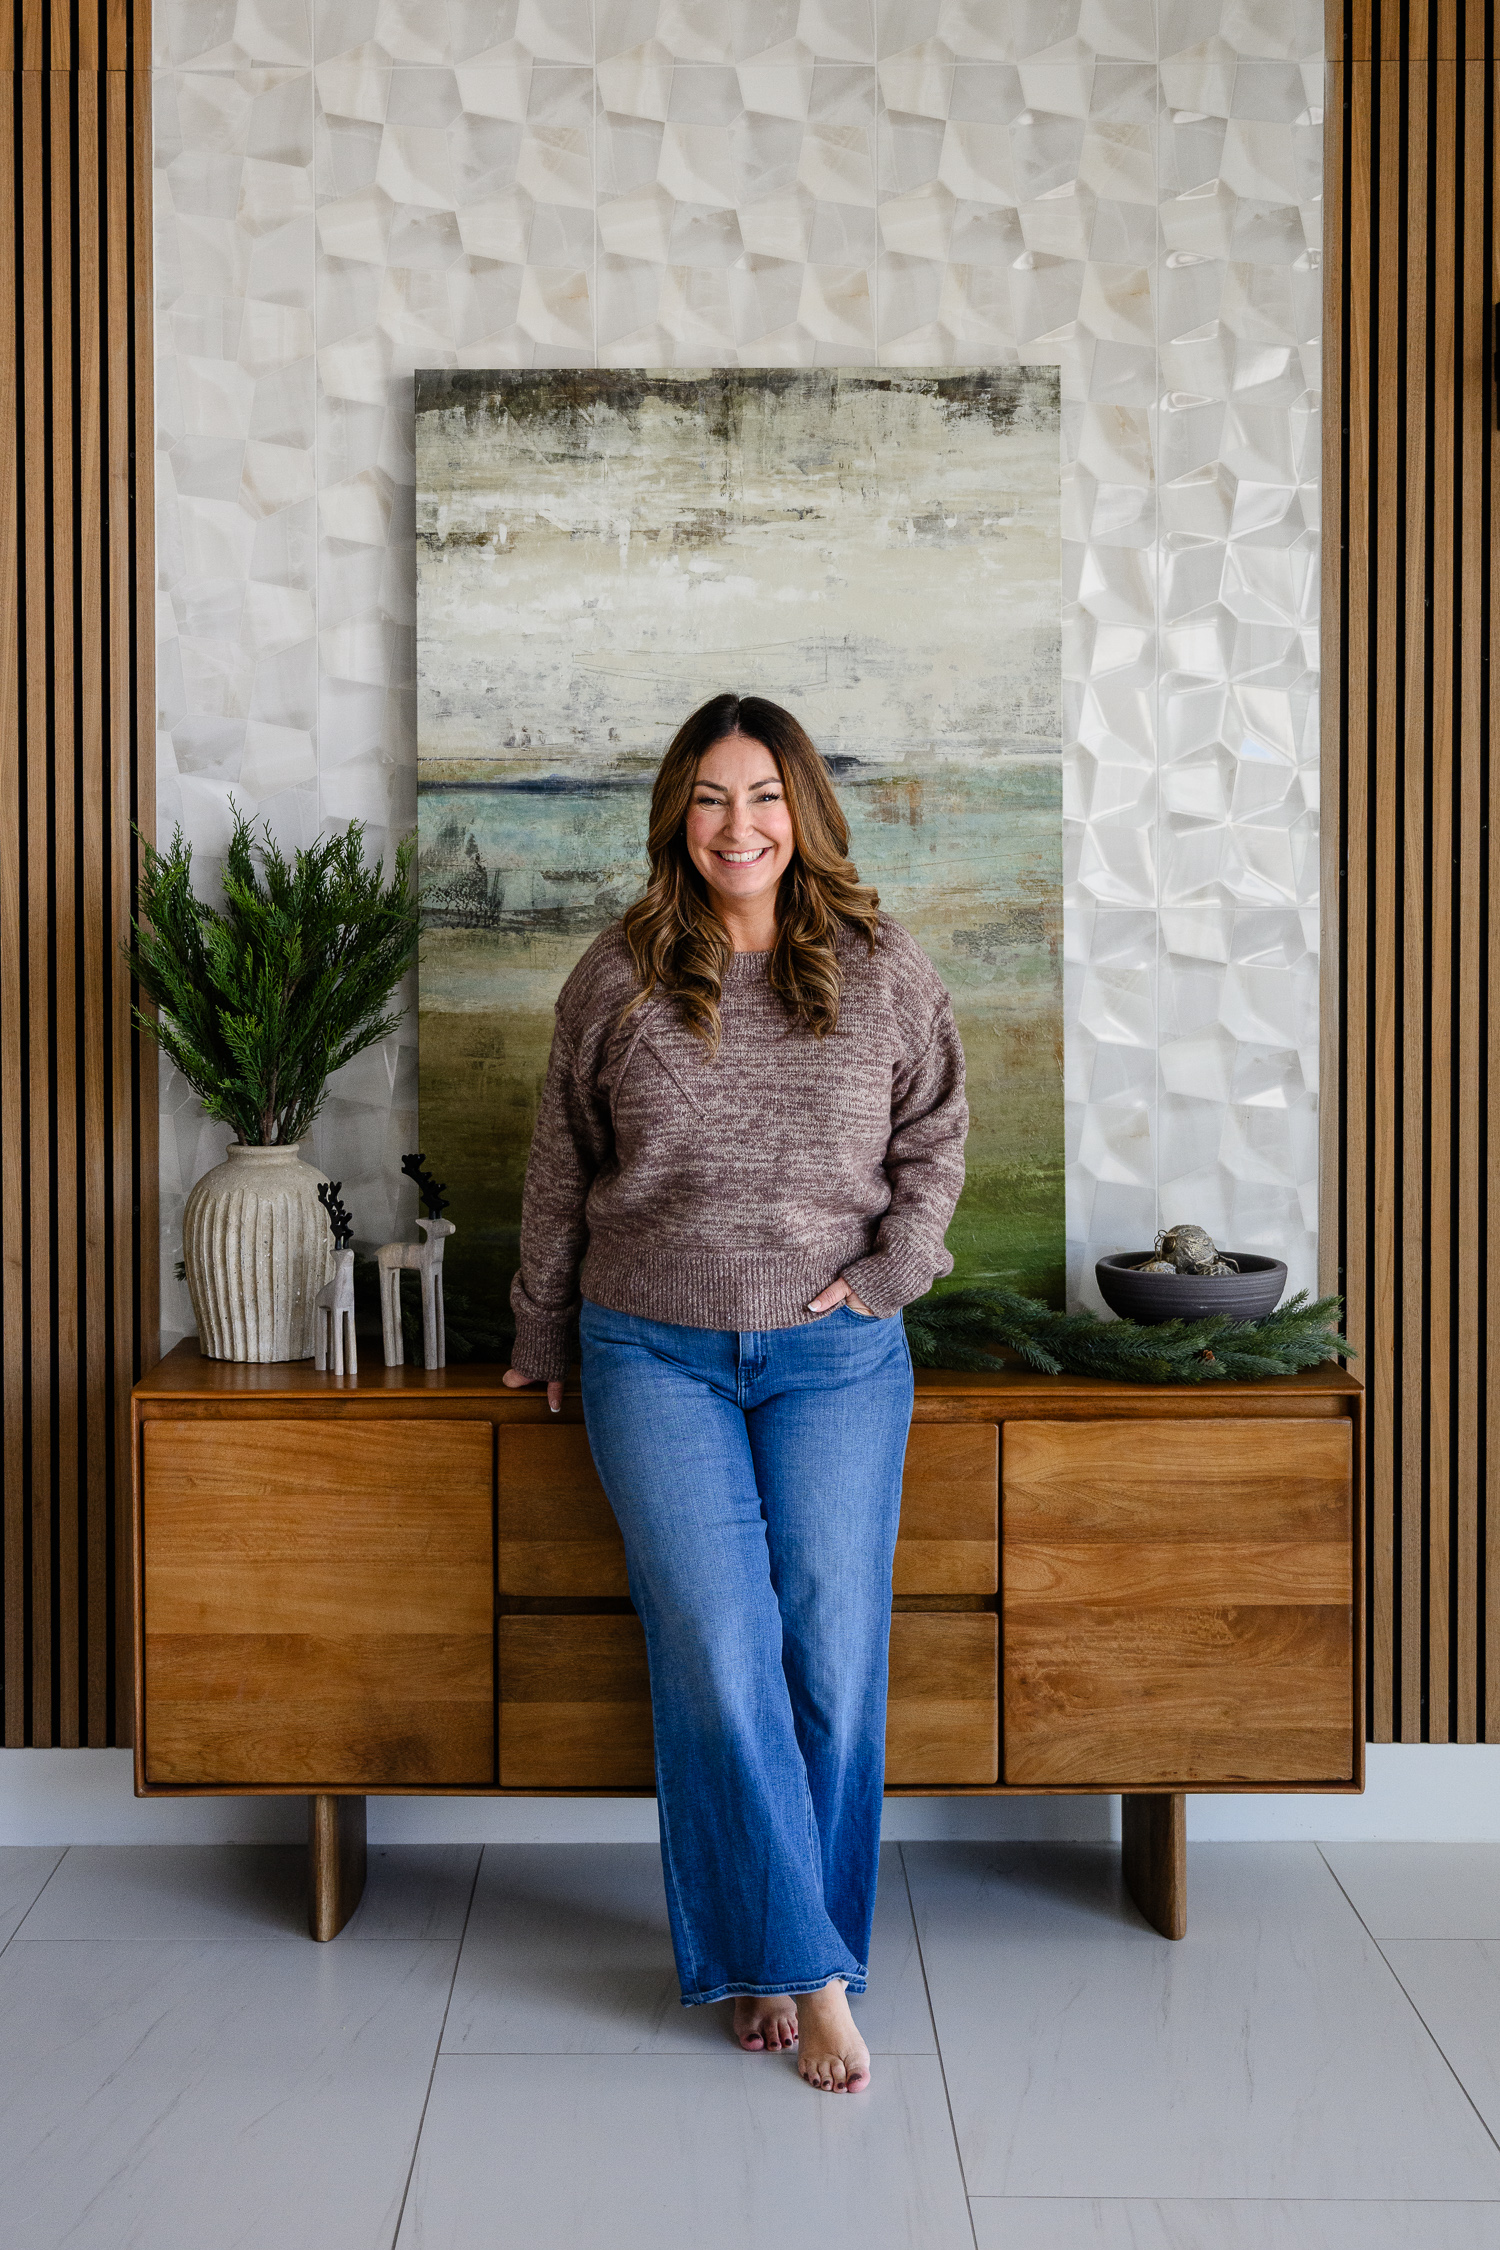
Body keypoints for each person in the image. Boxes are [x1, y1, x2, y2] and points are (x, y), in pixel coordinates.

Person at [502, 692, 968, 2093]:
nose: (737, 823)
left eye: (762, 795)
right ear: (676, 818)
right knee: (715, 1645)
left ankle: (775, 1956)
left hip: (834, 1358)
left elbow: (937, 1136)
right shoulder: (618, 975)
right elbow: (558, 1162)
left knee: (830, 1647)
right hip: (651, 1350)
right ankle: (810, 1970)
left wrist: (890, 1273)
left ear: (804, 812)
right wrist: (538, 1326)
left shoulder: (883, 969)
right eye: (709, 797)